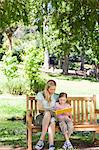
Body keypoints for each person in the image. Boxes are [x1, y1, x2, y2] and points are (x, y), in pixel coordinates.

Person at [35, 80, 58, 150]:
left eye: (54, 89)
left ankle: (48, 143)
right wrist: (49, 110)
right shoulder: (41, 94)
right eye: (51, 89)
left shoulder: (56, 96)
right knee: (49, 116)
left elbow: (59, 107)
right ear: (47, 88)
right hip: (42, 117)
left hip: (53, 115)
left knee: (52, 120)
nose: (53, 91)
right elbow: (40, 108)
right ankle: (45, 141)